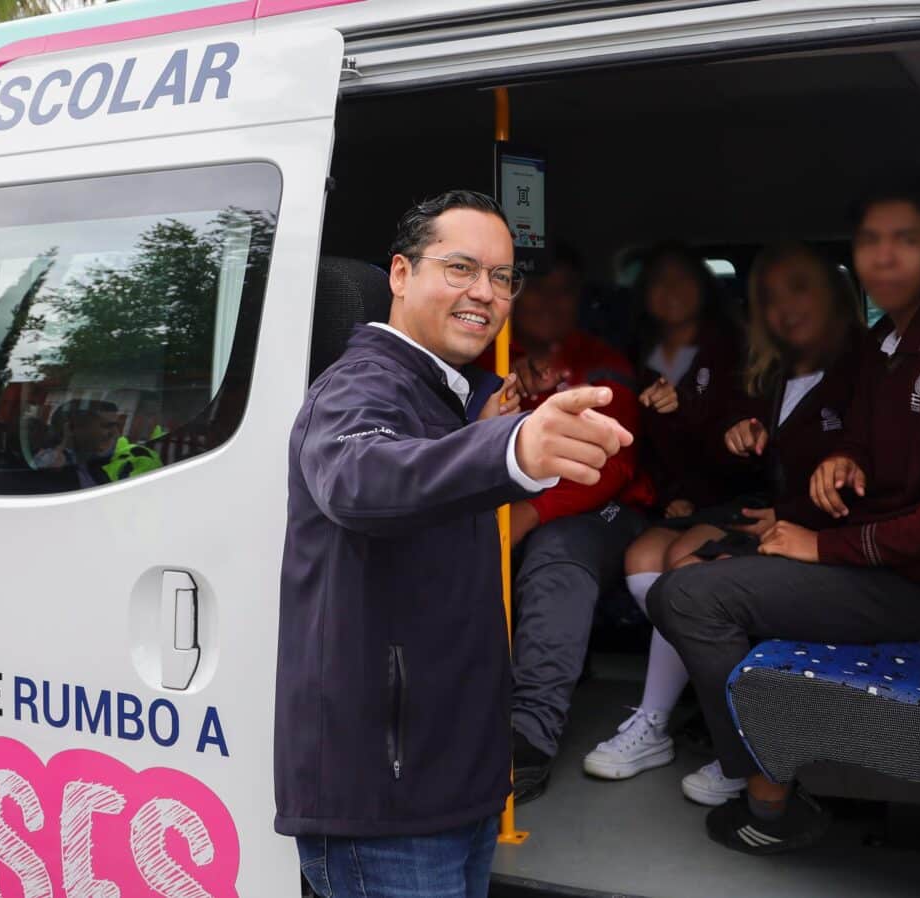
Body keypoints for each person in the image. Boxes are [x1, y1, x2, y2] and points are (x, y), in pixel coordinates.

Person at [275, 191, 633, 898]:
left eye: (502, 277)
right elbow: (360, 478)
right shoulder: (358, 386)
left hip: (457, 783)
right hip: (388, 806)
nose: (486, 293)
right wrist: (511, 448)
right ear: (400, 274)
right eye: (461, 267)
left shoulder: (450, 394)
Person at [647, 177, 920, 853]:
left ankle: (770, 796)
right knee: (690, 577)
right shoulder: (887, 341)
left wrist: (825, 547)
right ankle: (761, 760)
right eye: (870, 241)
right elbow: (865, 442)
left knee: (689, 598)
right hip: (874, 555)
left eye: (906, 240)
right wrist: (842, 459)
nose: (884, 257)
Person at [582, 242, 866, 787]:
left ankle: (704, 721)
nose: (787, 309)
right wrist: (733, 441)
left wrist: (773, 493)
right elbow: (736, 445)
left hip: (784, 515)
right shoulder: (771, 367)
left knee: (684, 576)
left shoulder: (851, 368)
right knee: (644, 559)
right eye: (773, 298)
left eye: (800, 291)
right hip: (738, 503)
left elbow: (839, 463)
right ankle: (691, 697)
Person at [493, 247, 656, 803]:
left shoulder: (602, 364)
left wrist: (530, 513)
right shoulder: (492, 356)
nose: (549, 301)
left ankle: (527, 738)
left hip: (605, 509)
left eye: (564, 290)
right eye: (537, 288)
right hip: (511, 505)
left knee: (558, 551)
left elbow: (611, 466)